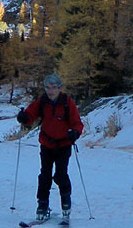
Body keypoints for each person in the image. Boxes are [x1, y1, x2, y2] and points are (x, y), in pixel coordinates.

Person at [16, 74, 83, 223]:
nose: (50, 91)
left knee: (60, 175)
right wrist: (24, 117)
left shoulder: (67, 103)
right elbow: (30, 114)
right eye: (47, 88)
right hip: (47, 144)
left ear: (60, 88)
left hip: (64, 145)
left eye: (54, 88)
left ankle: (66, 202)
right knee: (44, 175)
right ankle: (42, 205)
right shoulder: (43, 102)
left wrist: (75, 133)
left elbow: (77, 123)